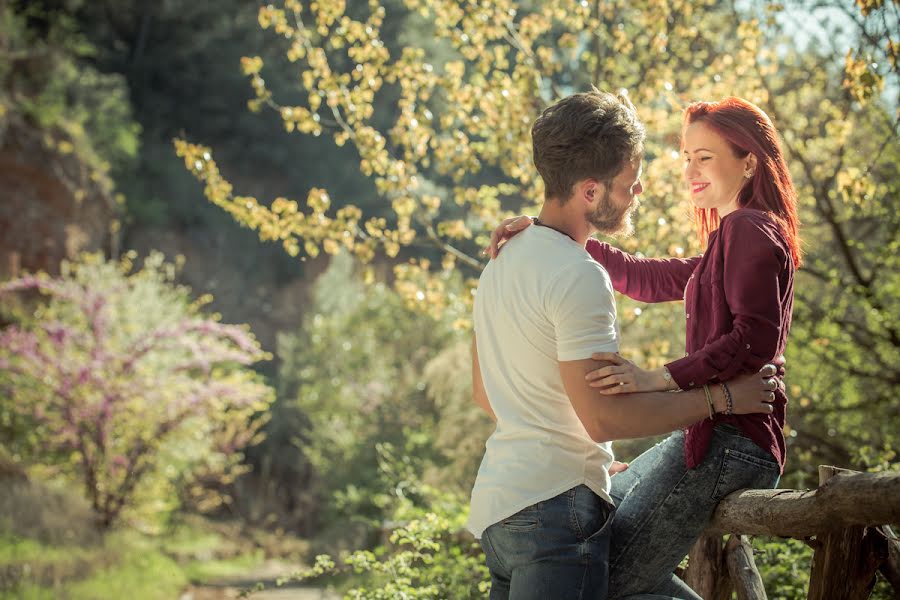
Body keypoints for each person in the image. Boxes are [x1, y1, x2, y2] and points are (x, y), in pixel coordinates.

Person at [470, 90, 780, 600]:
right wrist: (718, 399)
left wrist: (586, 451)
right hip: (555, 510)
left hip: (500, 508)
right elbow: (604, 419)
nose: (639, 189)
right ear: (590, 192)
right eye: (628, 179)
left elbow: (488, 396)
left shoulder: (500, 261)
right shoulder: (577, 275)